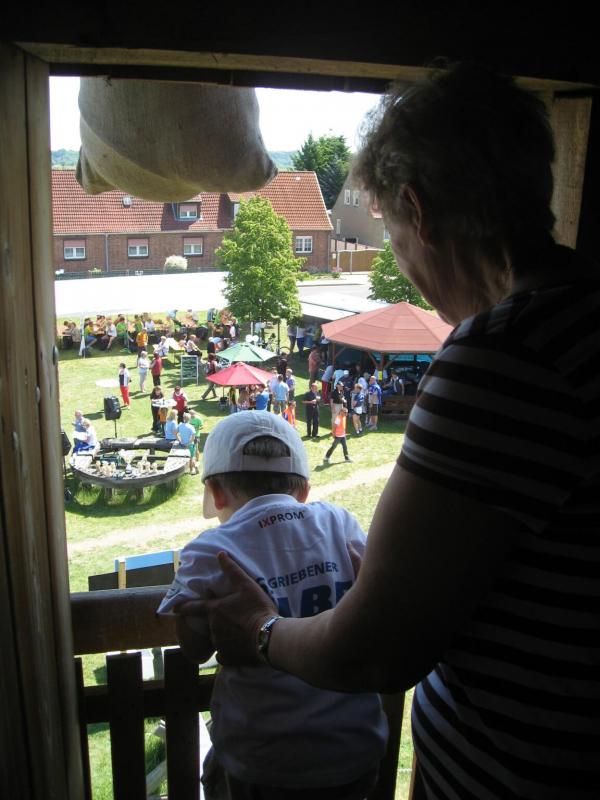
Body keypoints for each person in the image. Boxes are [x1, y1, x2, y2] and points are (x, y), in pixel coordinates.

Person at [179, 63, 600, 800]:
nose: (405, 271)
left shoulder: (504, 359)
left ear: (417, 210)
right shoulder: (581, 318)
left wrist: (261, 631)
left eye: (395, 238)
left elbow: (376, 650)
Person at [157, 412, 388, 799]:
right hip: (354, 750)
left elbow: (194, 647)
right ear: (304, 490)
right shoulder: (339, 523)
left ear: (216, 493)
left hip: (262, 758)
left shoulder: (211, 551)